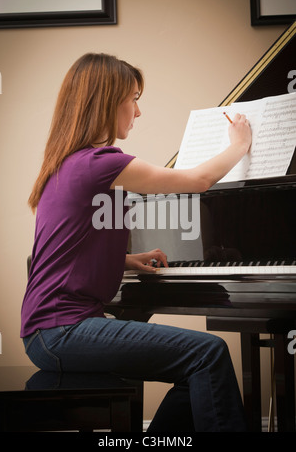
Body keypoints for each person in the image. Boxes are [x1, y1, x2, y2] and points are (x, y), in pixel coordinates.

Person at [21, 53, 252, 432]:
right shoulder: (102, 163)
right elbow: (197, 181)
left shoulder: (66, 163)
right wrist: (239, 144)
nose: (138, 112)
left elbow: (66, 245)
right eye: (133, 99)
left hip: (48, 331)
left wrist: (128, 260)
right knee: (208, 353)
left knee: (195, 368)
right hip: (63, 331)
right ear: (107, 102)